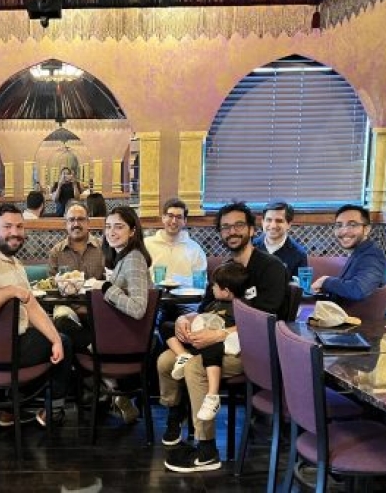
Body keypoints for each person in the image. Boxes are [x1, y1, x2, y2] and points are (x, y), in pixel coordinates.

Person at [160, 201, 288, 473]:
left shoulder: (271, 267)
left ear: (252, 229)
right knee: (164, 360)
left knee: (195, 367)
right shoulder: (225, 268)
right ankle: (178, 413)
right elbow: (206, 307)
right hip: (219, 343)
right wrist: (186, 320)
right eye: (226, 227)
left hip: (256, 350)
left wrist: (217, 334)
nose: (232, 231)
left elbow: (267, 319)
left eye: (239, 225)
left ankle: (206, 449)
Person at [0, 203, 71, 427]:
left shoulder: (12, 262)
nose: (15, 232)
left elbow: (32, 307)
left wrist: (55, 338)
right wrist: (9, 291)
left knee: (59, 339)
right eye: (7, 226)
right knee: (68, 344)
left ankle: (9, 409)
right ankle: (53, 411)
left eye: (20, 226)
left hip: (5, 348)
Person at [161, 262, 248, 422]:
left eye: (214, 286)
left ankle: (212, 396)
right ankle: (182, 356)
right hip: (198, 336)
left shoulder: (240, 307)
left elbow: (245, 327)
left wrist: (214, 334)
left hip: (219, 343)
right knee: (166, 326)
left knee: (210, 347)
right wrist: (184, 322)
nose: (211, 288)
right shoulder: (214, 302)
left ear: (226, 291)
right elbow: (200, 313)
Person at [94, 205, 153, 424]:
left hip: (128, 339)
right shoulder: (122, 257)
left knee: (67, 335)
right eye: (108, 227)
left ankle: (110, 385)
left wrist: (107, 288)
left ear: (133, 231)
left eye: (118, 227)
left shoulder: (134, 258)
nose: (111, 232)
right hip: (122, 333)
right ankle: (113, 387)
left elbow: (138, 309)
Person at [310, 204, 386, 302]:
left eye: (352, 225)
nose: (344, 231)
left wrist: (325, 281)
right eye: (339, 225)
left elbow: (358, 290)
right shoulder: (360, 252)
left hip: (355, 317)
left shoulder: (372, 256)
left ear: (366, 229)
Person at [144, 198, 207, 284]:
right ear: (163, 218)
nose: (174, 221)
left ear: (185, 221)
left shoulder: (195, 249)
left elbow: (201, 282)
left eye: (179, 217)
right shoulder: (146, 244)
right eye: (170, 216)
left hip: (185, 295)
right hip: (153, 295)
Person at [48, 202, 105, 280]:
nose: (76, 224)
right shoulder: (56, 252)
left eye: (81, 219)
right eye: (71, 220)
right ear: (66, 224)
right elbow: (52, 284)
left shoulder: (103, 248)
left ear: (88, 223)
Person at [253, 201, 308, 277]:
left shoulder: (299, 254)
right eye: (269, 220)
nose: (273, 225)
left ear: (289, 224)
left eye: (279, 221)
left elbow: (300, 287)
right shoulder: (250, 247)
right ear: (262, 222)